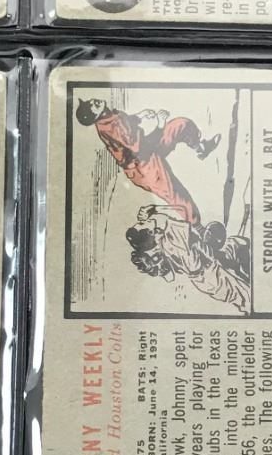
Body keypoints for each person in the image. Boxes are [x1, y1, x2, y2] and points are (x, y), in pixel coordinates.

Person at [76, 97, 219, 225]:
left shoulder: (108, 116)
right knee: (175, 194)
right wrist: (160, 126)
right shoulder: (110, 128)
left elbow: (125, 124)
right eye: (91, 107)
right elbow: (137, 147)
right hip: (143, 167)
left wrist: (140, 115)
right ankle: (199, 228)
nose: (93, 102)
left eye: (90, 102)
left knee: (180, 124)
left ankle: (201, 149)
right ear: (95, 116)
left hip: (147, 150)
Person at [125, 204, 251, 311]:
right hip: (211, 275)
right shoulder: (172, 235)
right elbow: (184, 210)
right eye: (141, 223)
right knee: (247, 298)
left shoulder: (164, 240)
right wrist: (156, 209)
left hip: (208, 272)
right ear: (151, 234)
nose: (143, 220)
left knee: (235, 244)